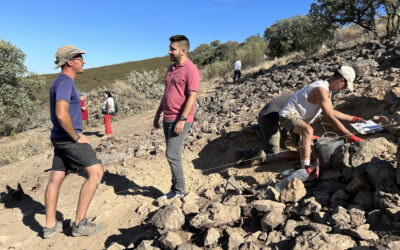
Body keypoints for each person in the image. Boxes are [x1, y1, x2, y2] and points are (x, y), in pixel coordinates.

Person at [43, 45, 104, 239]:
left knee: (56, 177)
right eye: (80, 58)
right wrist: (76, 136)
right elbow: (62, 114)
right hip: (69, 139)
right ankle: (79, 224)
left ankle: (50, 225)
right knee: (96, 172)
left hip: (59, 138)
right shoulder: (65, 82)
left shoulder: (59, 82)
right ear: (70, 61)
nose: (83, 61)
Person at [279, 65, 365, 181]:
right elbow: (329, 117)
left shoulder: (326, 91)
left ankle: (267, 158)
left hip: (300, 121)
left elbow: (332, 111)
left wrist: (353, 119)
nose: (344, 88)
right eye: (345, 85)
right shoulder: (320, 89)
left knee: (302, 153)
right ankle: (306, 172)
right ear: (341, 80)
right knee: (308, 130)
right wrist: (350, 136)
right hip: (288, 116)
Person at [153, 35, 200, 199]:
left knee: (172, 155)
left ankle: (179, 191)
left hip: (180, 119)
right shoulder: (171, 69)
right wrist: (158, 113)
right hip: (167, 117)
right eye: (170, 48)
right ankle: (175, 188)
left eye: (172, 49)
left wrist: (182, 119)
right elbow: (166, 94)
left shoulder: (191, 69)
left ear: (183, 50)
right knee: (172, 154)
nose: (169, 51)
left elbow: (192, 97)